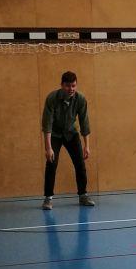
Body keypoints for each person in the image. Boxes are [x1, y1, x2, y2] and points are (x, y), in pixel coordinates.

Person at [41, 70, 95, 209]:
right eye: (67, 86)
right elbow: (47, 125)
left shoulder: (80, 99)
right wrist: (48, 148)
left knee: (80, 164)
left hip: (71, 134)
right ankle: (48, 198)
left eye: (73, 86)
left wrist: (87, 146)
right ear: (62, 85)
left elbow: (84, 123)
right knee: (51, 164)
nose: (71, 89)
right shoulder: (52, 98)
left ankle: (83, 195)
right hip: (55, 135)